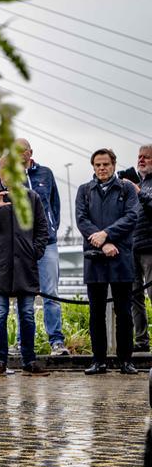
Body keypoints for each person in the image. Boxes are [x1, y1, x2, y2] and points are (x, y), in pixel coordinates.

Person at [0, 155, 50, 377]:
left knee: (27, 315)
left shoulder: (32, 197)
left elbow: (42, 229)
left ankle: (29, 361)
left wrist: (35, 252)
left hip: (25, 266)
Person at [75, 148, 139, 374]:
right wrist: (102, 243)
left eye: (106, 164)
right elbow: (82, 220)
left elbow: (131, 217)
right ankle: (98, 361)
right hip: (95, 258)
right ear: (93, 167)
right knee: (96, 313)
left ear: (113, 165)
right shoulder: (84, 190)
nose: (102, 168)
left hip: (121, 256)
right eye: (98, 165)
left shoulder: (127, 189)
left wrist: (107, 234)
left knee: (124, 312)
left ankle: (126, 361)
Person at [15, 138, 68, 355]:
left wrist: (51, 228)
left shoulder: (46, 173)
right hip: (22, 244)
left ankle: (56, 341)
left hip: (47, 244)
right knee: (23, 294)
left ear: (30, 152)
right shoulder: (10, 175)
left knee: (51, 294)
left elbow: (54, 204)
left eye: (22, 150)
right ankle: (22, 342)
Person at [126, 144, 152, 351]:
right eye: (139, 157)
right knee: (135, 296)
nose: (141, 160)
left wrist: (139, 192)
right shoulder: (137, 182)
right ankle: (141, 341)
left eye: (146, 157)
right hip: (132, 247)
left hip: (150, 247)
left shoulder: (142, 187)